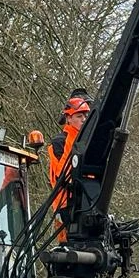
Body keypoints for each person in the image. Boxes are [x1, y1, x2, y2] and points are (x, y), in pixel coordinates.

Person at [47, 93, 92, 238]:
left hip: (85, 202)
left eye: (85, 116)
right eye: (79, 116)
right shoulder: (60, 142)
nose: (83, 120)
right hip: (66, 205)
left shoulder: (85, 142)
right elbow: (63, 175)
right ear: (69, 118)